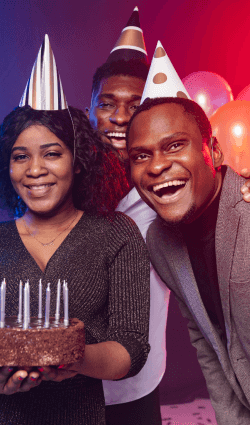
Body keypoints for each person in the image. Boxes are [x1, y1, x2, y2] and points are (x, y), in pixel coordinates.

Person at [0, 36, 150, 424]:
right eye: (20, 156)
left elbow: (132, 348)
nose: (35, 169)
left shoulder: (116, 234)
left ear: (77, 161)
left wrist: (72, 356)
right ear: (5, 168)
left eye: (52, 153)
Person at [127, 87, 250, 424]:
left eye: (175, 145)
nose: (157, 165)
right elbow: (209, 344)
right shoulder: (159, 242)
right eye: (140, 155)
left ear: (213, 151)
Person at [86, 9, 169, 424]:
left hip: (137, 383)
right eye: (107, 104)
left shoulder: (165, 189)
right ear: (89, 109)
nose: (119, 117)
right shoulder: (56, 182)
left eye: (134, 106)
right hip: (67, 385)